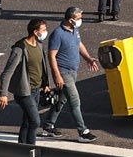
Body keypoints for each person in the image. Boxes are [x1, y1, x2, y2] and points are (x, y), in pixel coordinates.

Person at [40, 8, 100, 142]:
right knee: (75, 100)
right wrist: (57, 75)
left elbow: (79, 45)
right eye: (78, 18)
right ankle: (83, 131)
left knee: (61, 100)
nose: (80, 20)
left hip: (73, 71)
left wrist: (88, 58)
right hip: (63, 72)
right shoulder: (58, 34)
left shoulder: (74, 30)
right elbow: (52, 55)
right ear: (70, 20)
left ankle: (47, 127)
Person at [0, 19, 52, 145]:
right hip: (24, 92)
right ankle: (31, 148)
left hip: (37, 89)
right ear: (35, 32)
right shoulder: (20, 49)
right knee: (35, 121)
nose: (45, 32)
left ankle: (22, 147)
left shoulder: (39, 45)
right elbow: (7, 73)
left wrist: (45, 84)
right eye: (43, 30)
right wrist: (3, 94)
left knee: (27, 121)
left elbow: (41, 66)